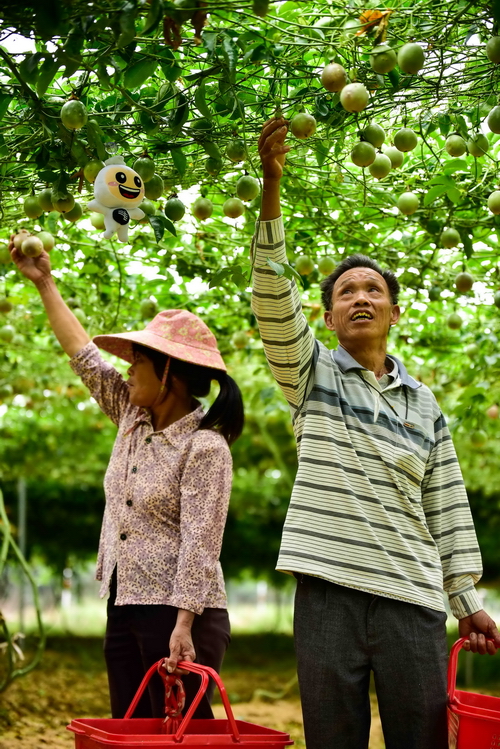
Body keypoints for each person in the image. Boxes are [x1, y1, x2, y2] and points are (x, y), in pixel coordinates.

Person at [251, 118, 500, 749]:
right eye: (345, 293)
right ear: (328, 315)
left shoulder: (424, 405)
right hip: (328, 589)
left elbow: (445, 508)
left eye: (373, 290)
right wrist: (271, 186)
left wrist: (465, 601)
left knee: (420, 738)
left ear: (394, 310)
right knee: (334, 738)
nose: (360, 298)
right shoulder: (310, 377)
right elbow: (273, 297)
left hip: (413, 599)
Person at [9, 234, 244, 721]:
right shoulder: (132, 420)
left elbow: (201, 544)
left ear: (170, 375)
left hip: (182, 617)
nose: (128, 369)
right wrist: (44, 283)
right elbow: (83, 356)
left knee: (179, 733)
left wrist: (183, 627)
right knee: (132, 727)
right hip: (125, 600)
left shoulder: (205, 447)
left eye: (139, 360)